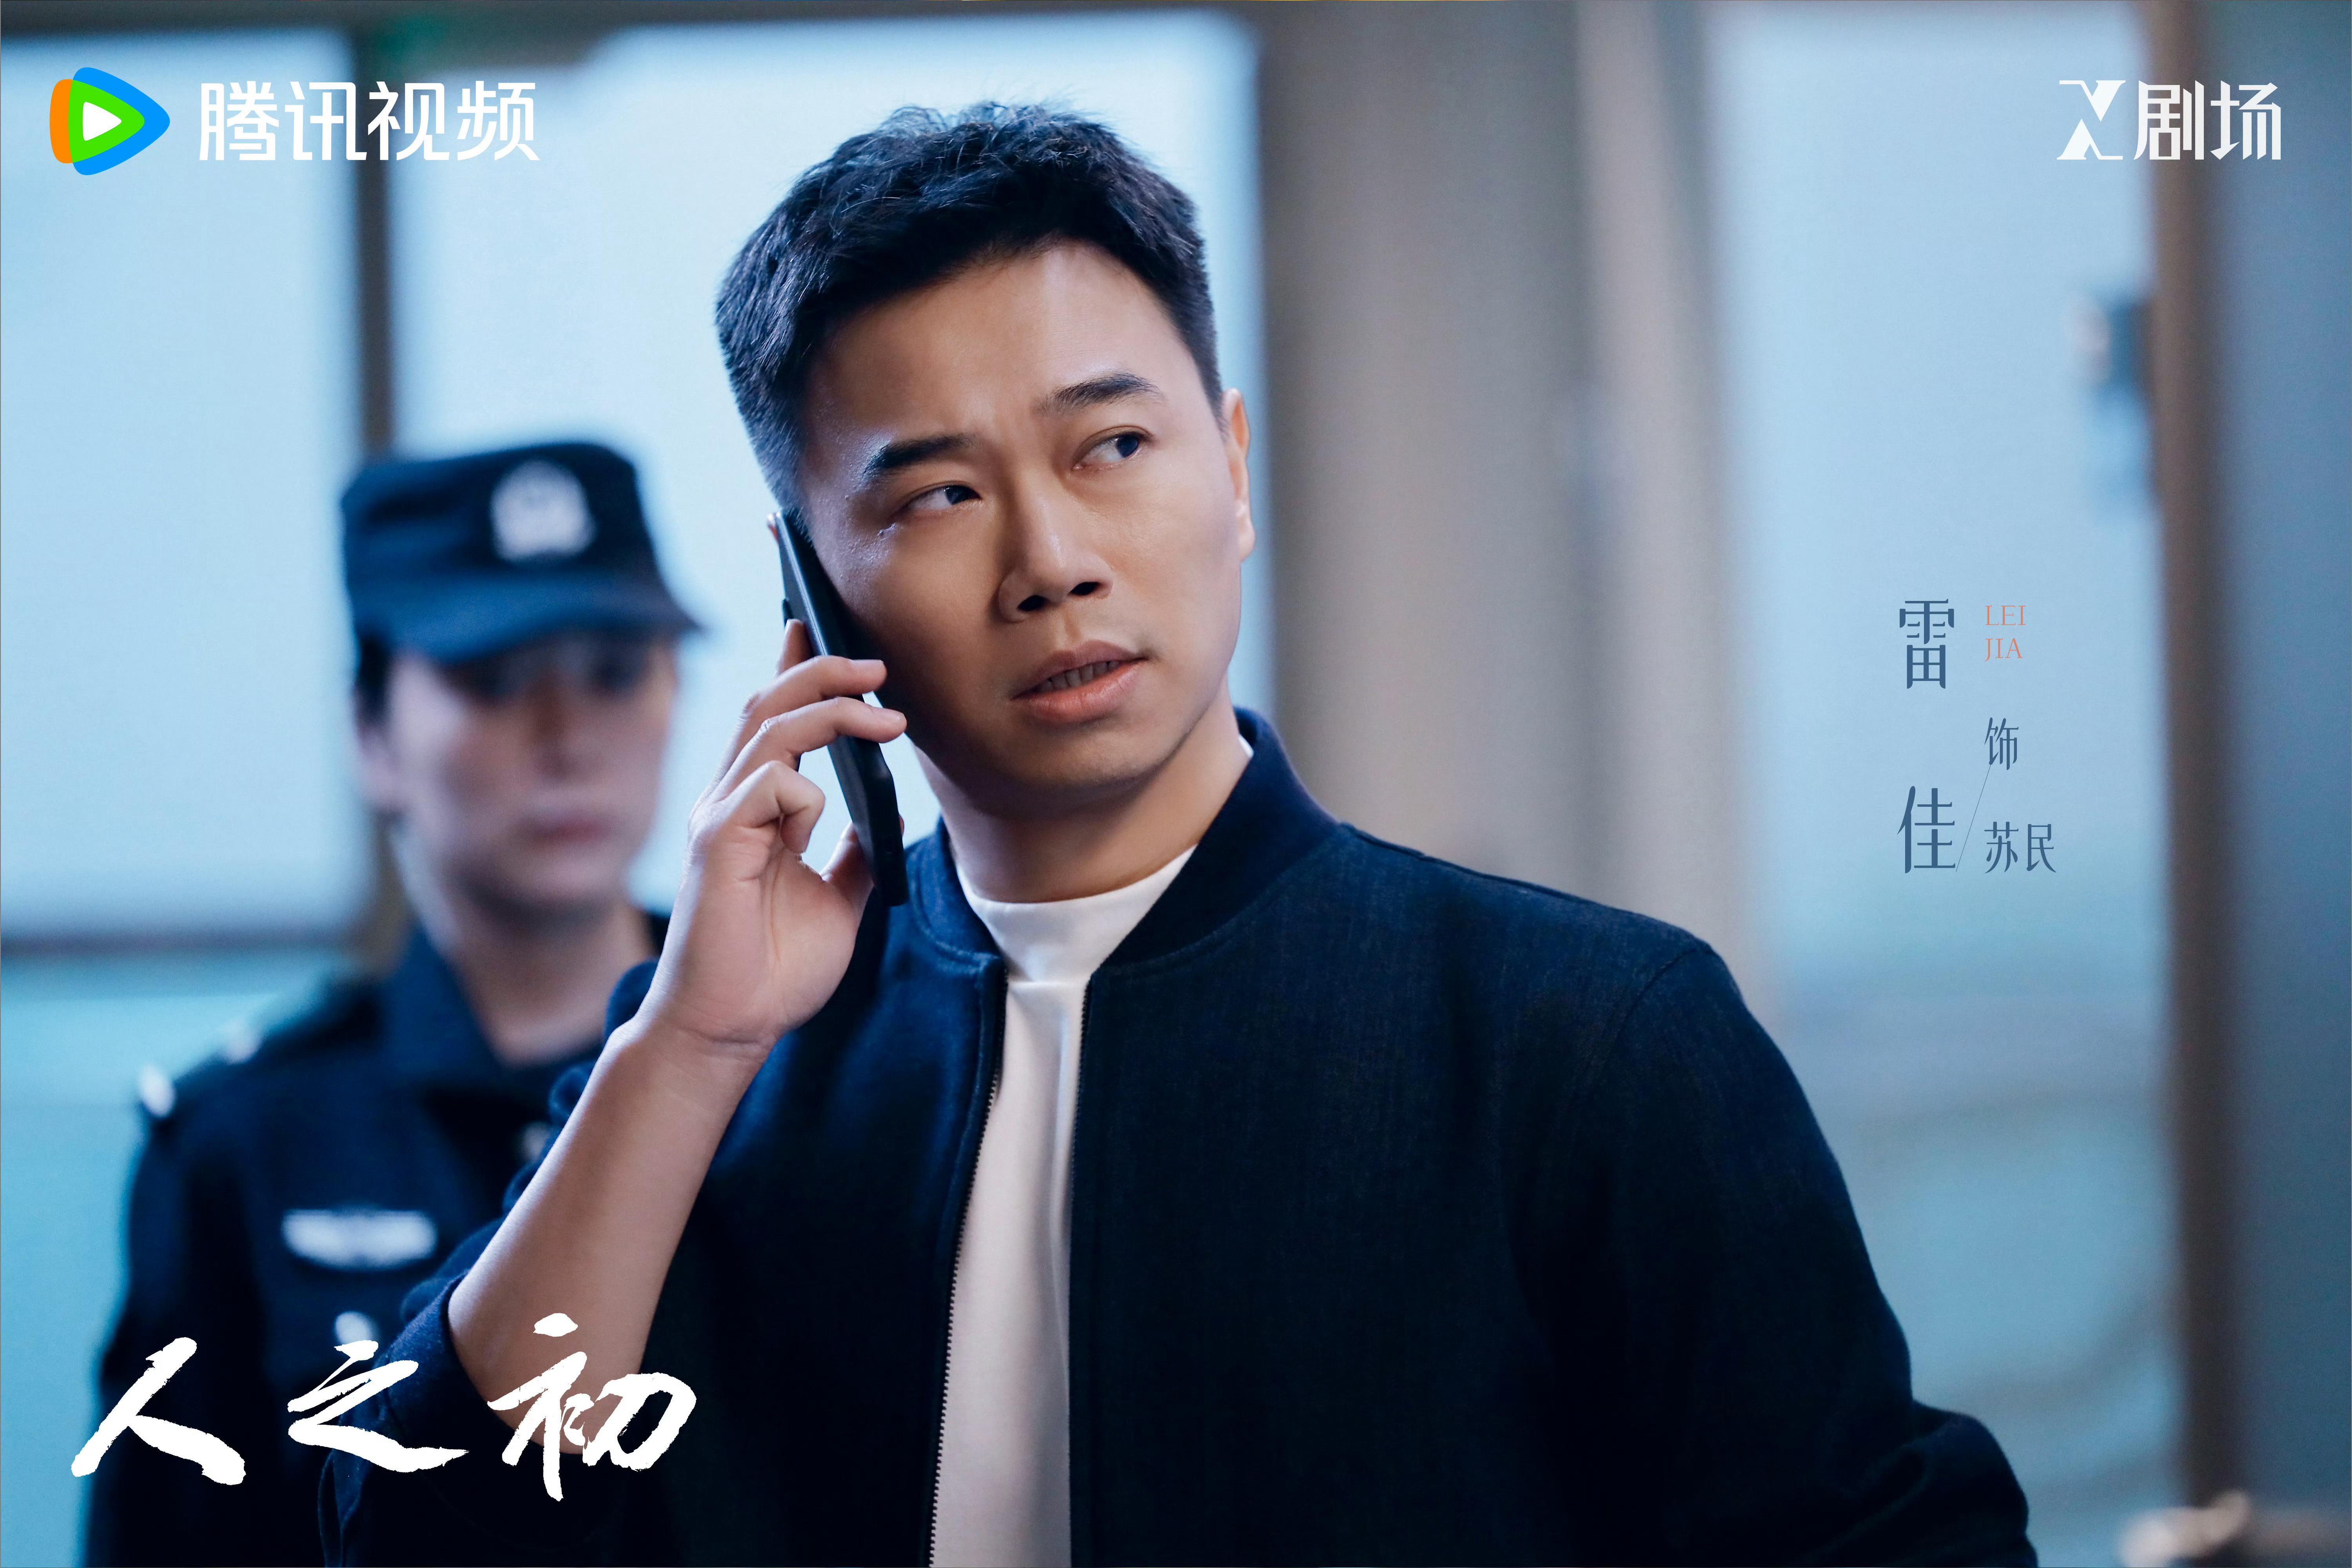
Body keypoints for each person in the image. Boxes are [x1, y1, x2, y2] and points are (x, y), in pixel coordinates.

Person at [327, 109, 2034, 1566]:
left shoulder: (1581, 1036)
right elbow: (423, 1532)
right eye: (938, 493)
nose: (1051, 559)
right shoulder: (727, 1063)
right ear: (810, 586)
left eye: (1114, 445)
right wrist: (691, 1048)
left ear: (1231, 468)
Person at [87, 443, 695, 1567]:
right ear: (373, 734)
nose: (568, 739)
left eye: (615, 673)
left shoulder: (804, 1062)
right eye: (495, 682)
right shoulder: (245, 1141)